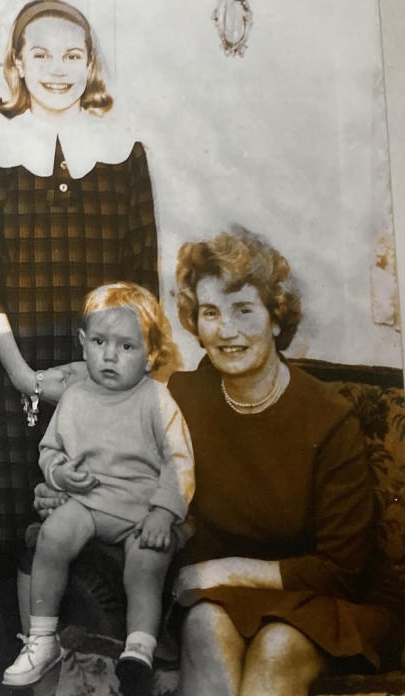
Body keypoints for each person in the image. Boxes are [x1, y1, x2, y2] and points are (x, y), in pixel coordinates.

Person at [0, 0, 160, 569]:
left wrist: (106, 370)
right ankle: (31, 647)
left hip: (109, 372)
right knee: (21, 531)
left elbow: (141, 279)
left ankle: (94, 653)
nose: (57, 67)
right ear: (17, 64)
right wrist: (25, 376)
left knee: (106, 524)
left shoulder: (125, 154)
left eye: (72, 55)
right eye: (41, 53)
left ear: (90, 64)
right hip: (19, 372)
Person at [167, 228, 390, 695]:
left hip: (328, 601)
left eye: (244, 310)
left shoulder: (327, 416)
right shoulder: (181, 399)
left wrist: (221, 570)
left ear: (274, 318)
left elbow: (342, 569)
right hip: (221, 600)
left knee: (278, 645)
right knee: (204, 625)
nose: (226, 330)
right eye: (210, 313)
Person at [2, 284, 193, 695]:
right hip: (88, 502)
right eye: (101, 343)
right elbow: (50, 450)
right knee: (50, 538)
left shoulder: (157, 400)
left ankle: (139, 651)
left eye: (127, 347)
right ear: (83, 344)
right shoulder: (75, 397)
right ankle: (41, 637)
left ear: (151, 357)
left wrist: (163, 512)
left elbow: (180, 464)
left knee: (145, 564)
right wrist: (59, 475)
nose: (110, 356)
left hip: (142, 510)